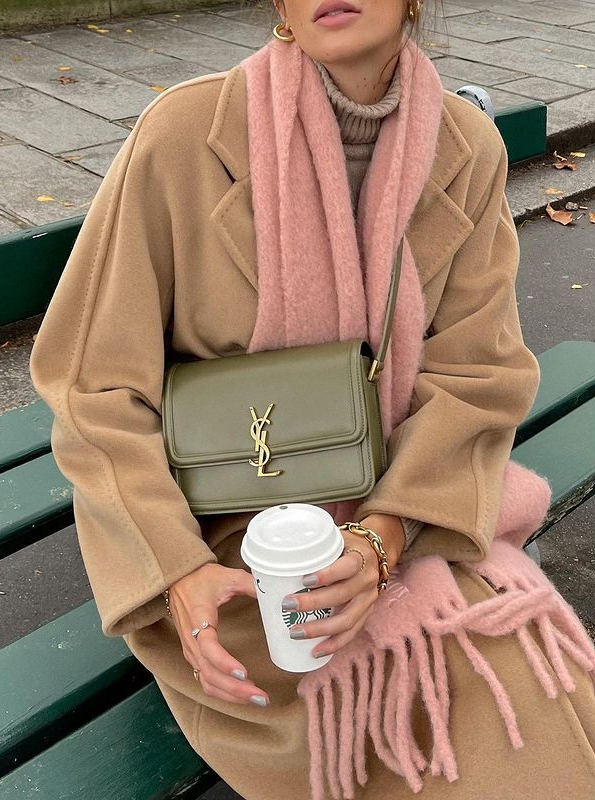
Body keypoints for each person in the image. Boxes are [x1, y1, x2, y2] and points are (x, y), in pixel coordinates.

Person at [29, 1, 595, 798]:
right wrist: (177, 571)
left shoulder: (465, 148)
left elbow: (478, 375)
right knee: (449, 694)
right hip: (226, 544)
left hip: (403, 502)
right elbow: (92, 388)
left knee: (515, 672)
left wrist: (381, 540)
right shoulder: (186, 134)